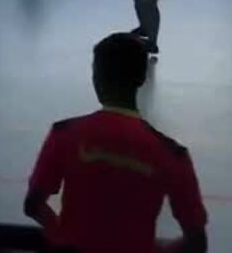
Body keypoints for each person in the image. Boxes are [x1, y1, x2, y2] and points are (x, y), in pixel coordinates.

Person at [25, 32, 207, 253]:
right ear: (141, 79)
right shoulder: (172, 155)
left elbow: (33, 205)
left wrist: (63, 236)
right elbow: (197, 242)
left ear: (96, 78)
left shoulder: (64, 134)